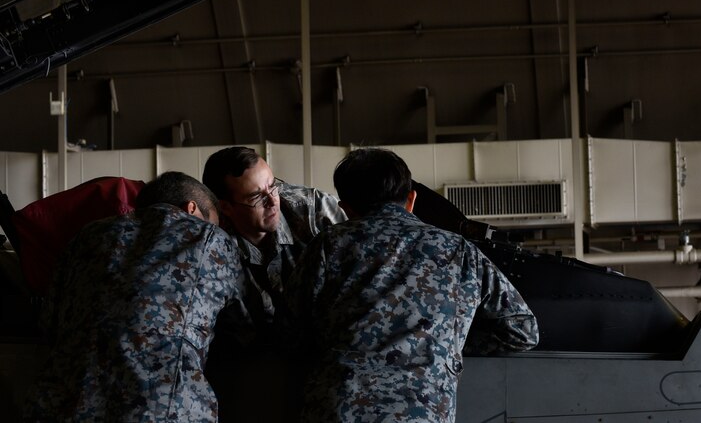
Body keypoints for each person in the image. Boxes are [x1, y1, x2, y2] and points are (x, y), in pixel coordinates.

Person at [286, 147, 539, 422]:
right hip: (423, 412)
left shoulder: (327, 245)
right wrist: (448, 343)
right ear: (411, 199)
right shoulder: (457, 250)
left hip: (338, 409)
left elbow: (290, 332)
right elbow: (523, 330)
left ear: (345, 207)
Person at [22, 171, 247, 423]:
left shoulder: (86, 236)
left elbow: (49, 322)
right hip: (160, 410)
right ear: (191, 209)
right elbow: (243, 325)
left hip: (60, 407)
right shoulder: (209, 237)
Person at [201, 146, 346, 332]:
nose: (272, 200)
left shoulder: (315, 210)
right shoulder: (212, 245)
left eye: (272, 185)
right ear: (225, 207)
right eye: (256, 196)